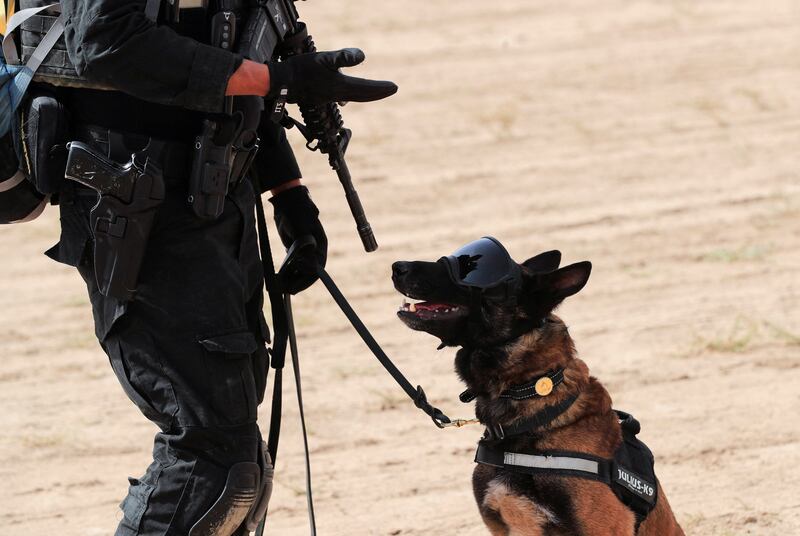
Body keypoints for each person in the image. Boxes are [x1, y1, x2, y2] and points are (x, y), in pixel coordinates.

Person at [28, 0, 397, 534]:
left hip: (217, 193)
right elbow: (107, 41)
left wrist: (288, 193)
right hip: (138, 206)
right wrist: (275, 78)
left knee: (237, 454)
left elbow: (230, 45)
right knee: (212, 460)